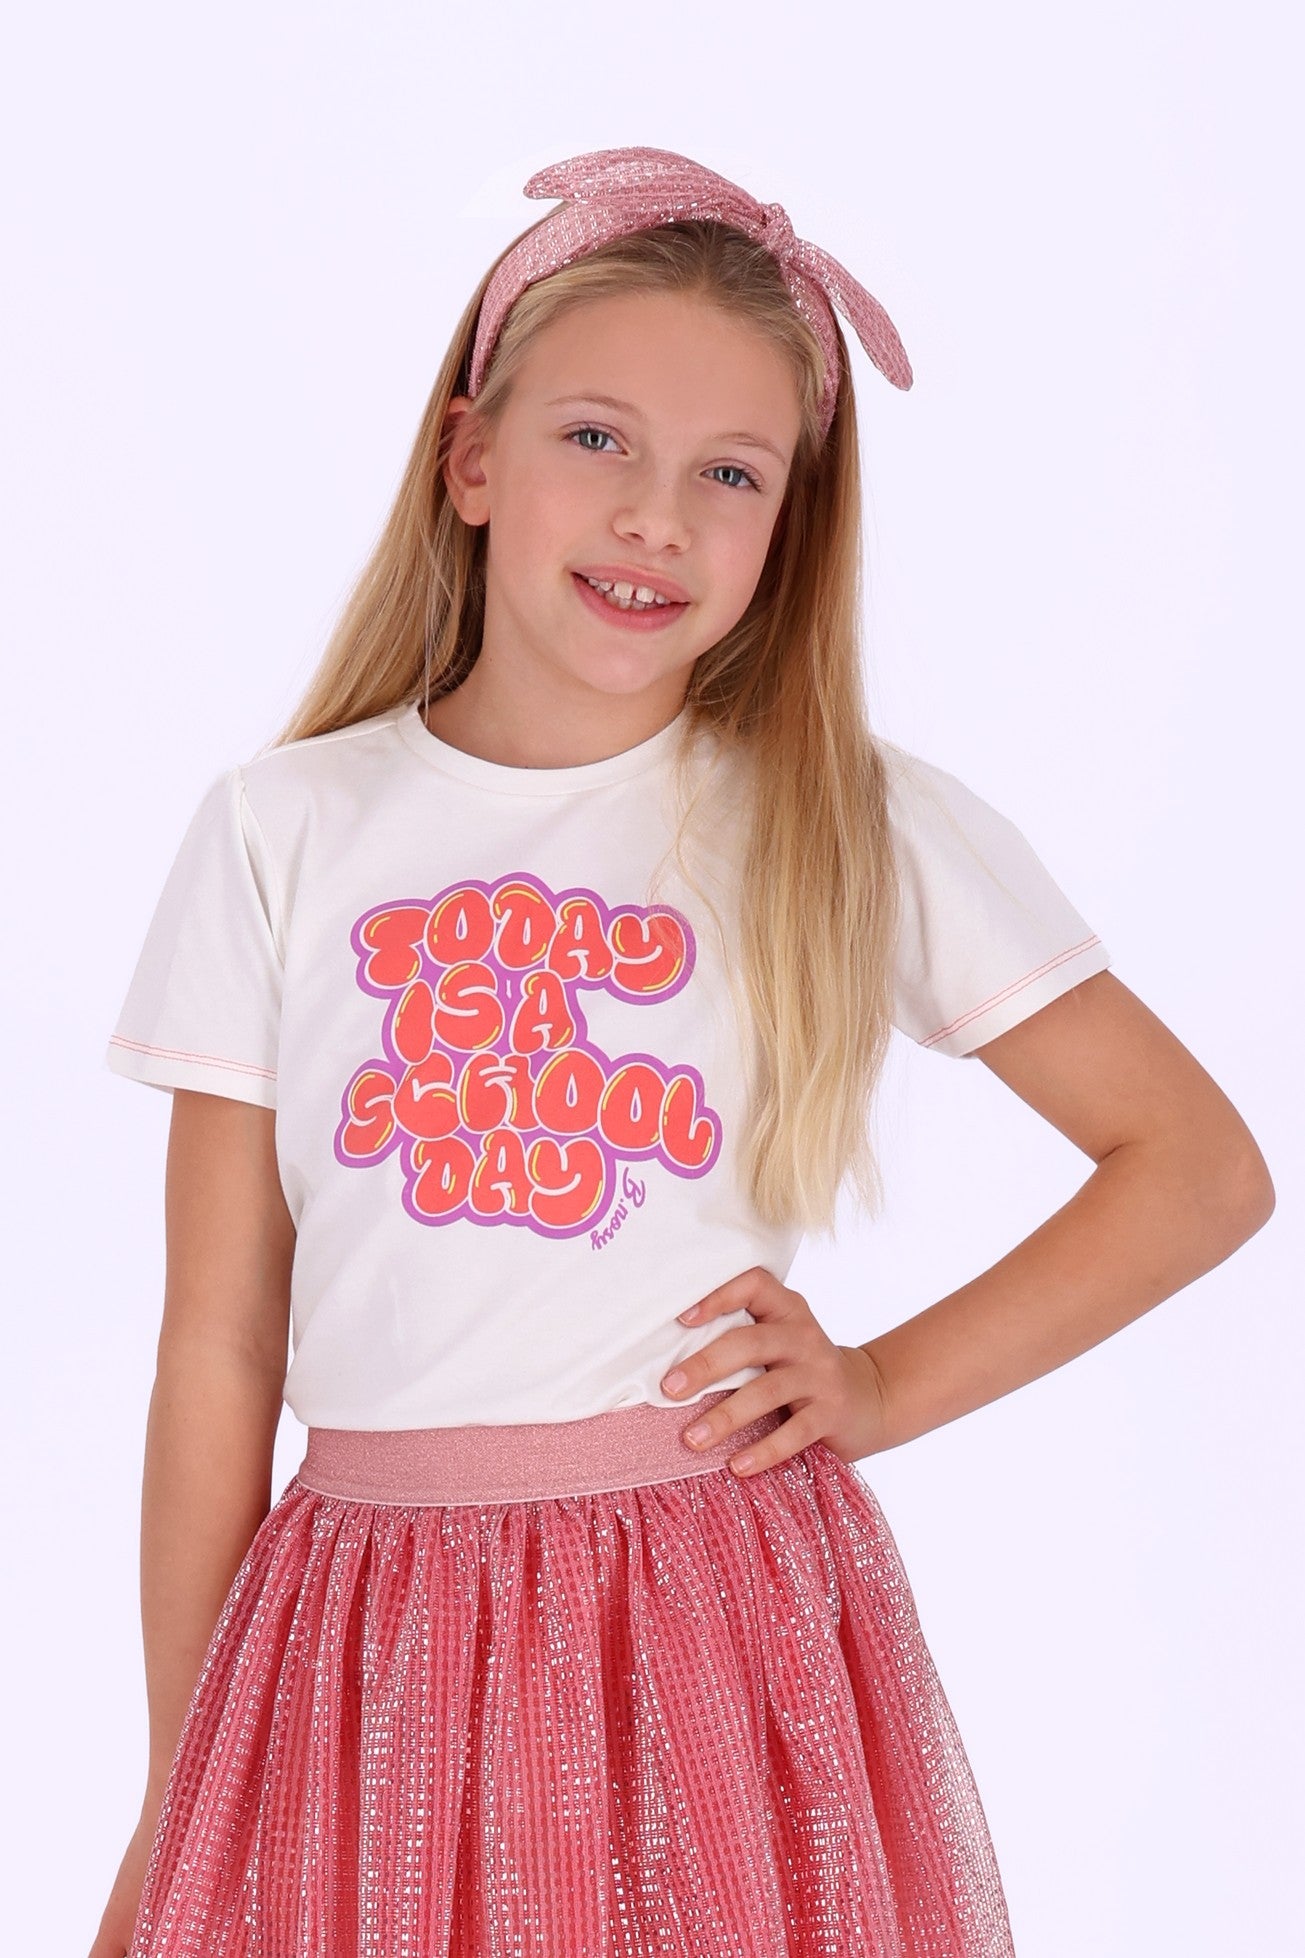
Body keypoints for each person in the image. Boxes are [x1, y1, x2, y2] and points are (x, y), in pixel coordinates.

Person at [90, 146, 1275, 1958]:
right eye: (597, 439)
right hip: (366, 1630)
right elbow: (221, 1341)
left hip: (704, 1617)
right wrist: (194, 1786)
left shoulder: (834, 818)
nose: (656, 515)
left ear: (785, 528)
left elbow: (1193, 1168)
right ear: (470, 459)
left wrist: (877, 1384)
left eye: (730, 473)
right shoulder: (283, 827)